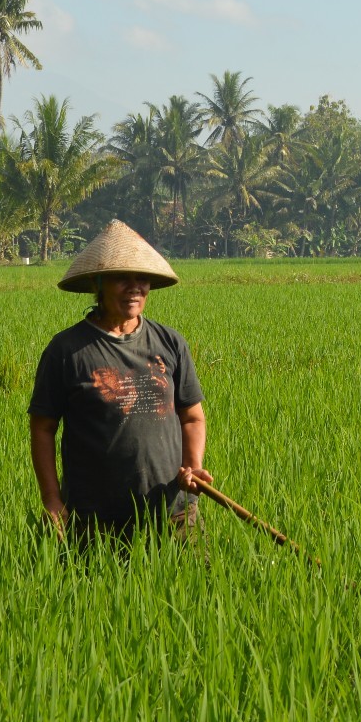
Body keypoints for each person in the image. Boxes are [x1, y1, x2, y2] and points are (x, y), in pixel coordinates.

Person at [27, 219, 213, 541]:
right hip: (96, 519)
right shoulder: (67, 351)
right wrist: (52, 500)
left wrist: (192, 466)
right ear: (98, 284)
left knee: (189, 588)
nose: (135, 287)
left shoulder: (170, 343)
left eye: (142, 279)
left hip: (173, 511)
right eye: (121, 279)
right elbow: (42, 429)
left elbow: (192, 417)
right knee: (101, 591)